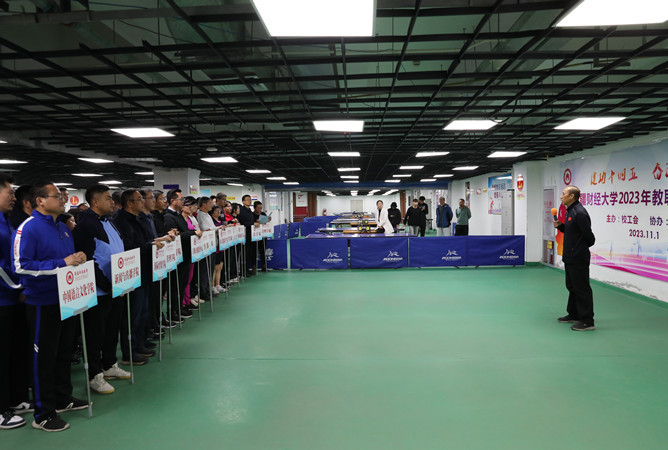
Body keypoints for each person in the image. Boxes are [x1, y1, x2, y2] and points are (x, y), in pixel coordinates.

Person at [13, 182, 89, 432]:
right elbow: (22, 266)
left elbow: (67, 262)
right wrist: (63, 262)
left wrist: (78, 259)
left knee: (64, 352)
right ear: (40, 201)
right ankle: (43, 413)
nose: (63, 199)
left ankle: (62, 397)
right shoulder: (29, 228)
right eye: (57, 196)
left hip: (66, 299)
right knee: (43, 358)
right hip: (42, 302)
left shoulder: (62, 228)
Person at [72, 184, 130, 394]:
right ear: (95, 202)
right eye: (107, 198)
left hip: (116, 287)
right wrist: (107, 285)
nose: (112, 202)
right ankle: (95, 375)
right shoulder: (85, 225)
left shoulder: (109, 221)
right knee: (95, 334)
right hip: (100, 290)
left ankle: (109, 364)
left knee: (112, 329)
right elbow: (88, 261)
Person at [112, 190, 157, 365]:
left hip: (144, 270)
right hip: (131, 273)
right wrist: (151, 245)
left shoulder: (138, 219)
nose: (143, 202)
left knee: (142, 312)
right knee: (131, 315)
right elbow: (128, 248)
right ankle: (128, 352)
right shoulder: (120, 221)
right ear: (130, 203)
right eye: (139, 199)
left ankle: (139, 344)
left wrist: (153, 243)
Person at [0, 174, 31, 430]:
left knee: (14, 352)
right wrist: (18, 286)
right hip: (3, 299)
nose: (13, 197)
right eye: (9, 192)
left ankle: (13, 399)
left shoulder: (6, 220)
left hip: (13, 298)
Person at [554, 186, 596, 331]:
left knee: (582, 289)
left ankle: (587, 321)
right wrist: (561, 227)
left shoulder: (580, 213)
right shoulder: (570, 211)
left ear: (571, 196)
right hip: (570, 256)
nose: (561, 196)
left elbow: (590, 238)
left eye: (563, 194)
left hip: (578, 257)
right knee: (572, 287)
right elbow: (573, 232)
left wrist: (578, 248)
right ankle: (574, 314)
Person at [163, 189, 200, 321]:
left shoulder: (178, 216)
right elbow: (177, 236)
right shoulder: (168, 216)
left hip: (185, 255)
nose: (183, 201)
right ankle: (173, 311)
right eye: (181, 199)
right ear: (173, 201)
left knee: (182, 283)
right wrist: (193, 233)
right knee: (175, 285)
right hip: (177, 257)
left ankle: (179, 307)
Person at [237, 195, 258, 276]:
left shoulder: (249, 210)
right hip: (244, 234)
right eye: (248, 200)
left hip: (251, 235)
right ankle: (243, 271)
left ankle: (247, 270)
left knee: (249, 253)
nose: (250, 201)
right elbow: (243, 222)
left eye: (250, 199)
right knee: (244, 253)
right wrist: (253, 223)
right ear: (243, 201)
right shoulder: (242, 210)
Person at [209, 205, 225, 294]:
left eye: (219, 210)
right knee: (214, 268)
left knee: (220, 266)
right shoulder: (212, 222)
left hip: (222, 245)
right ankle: (212, 286)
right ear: (212, 212)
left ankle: (218, 284)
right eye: (216, 210)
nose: (218, 212)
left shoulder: (220, 221)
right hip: (215, 246)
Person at [252, 201, 271, 271]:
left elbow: (266, 221)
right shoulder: (251, 215)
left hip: (263, 235)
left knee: (263, 250)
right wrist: (256, 222)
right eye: (258, 208)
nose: (260, 209)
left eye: (261, 208)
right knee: (254, 251)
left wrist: (268, 219)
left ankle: (264, 266)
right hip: (255, 236)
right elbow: (251, 223)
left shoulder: (263, 214)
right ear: (254, 208)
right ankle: (254, 266)